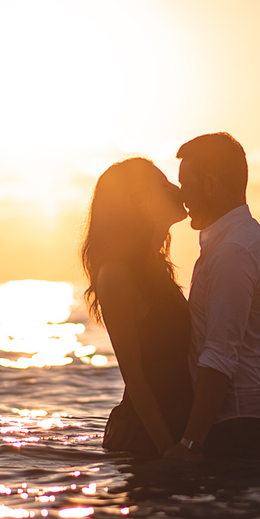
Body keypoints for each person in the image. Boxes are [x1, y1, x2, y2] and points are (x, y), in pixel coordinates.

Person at [164, 133, 260, 460]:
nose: (182, 197)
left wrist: (190, 444)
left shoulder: (232, 252)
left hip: (241, 429)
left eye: (186, 184)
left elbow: (219, 356)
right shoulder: (239, 242)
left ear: (209, 185)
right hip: (248, 424)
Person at [81, 157, 194, 458]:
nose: (177, 189)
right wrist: (166, 448)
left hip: (174, 432)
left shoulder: (157, 268)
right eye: (163, 184)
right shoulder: (117, 274)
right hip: (143, 441)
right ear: (140, 201)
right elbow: (134, 374)